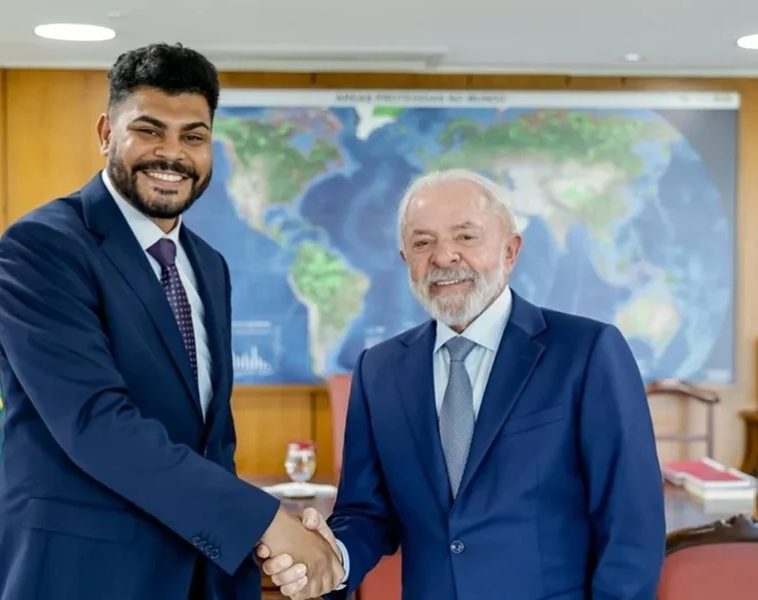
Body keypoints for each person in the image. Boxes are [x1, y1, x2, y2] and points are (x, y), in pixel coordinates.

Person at [0, 43, 339, 600]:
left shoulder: (208, 265)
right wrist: (264, 521)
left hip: (196, 574)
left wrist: (254, 546)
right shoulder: (43, 247)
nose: (172, 153)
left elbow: (210, 441)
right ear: (106, 133)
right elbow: (97, 424)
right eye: (149, 130)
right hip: (74, 575)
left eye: (193, 136)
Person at [259, 168, 666, 599]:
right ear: (405, 260)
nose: (444, 256)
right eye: (422, 242)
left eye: (465, 236)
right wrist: (332, 559)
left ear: (511, 251)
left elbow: (632, 526)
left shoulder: (587, 352)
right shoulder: (379, 369)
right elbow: (367, 512)